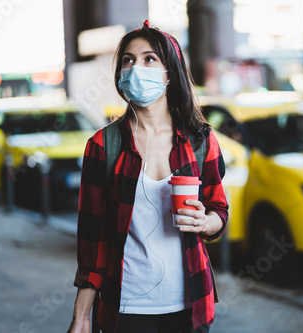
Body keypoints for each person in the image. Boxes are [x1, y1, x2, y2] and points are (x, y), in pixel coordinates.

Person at [67, 20, 228, 333]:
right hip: (125, 307)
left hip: (189, 303)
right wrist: (82, 314)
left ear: (170, 72)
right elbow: (92, 236)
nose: (136, 67)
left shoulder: (201, 141)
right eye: (128, 59)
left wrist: (206, 222)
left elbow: (218, 209)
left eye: (149, 58)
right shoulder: (103, 145)